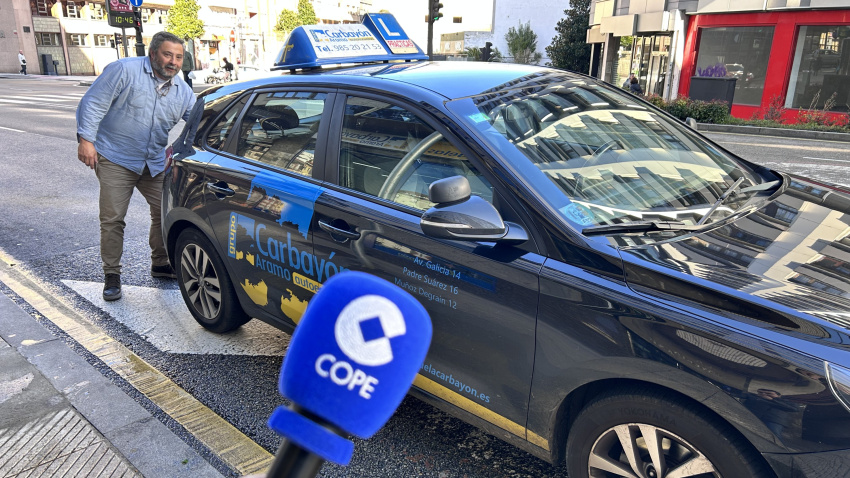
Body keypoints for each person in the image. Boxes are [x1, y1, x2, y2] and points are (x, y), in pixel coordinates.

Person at [76, 31, 196, 301]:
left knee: (165, 212)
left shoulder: (183, 91)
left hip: (153, 162)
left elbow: (197, 122)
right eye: (168, 55)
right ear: (153, 54)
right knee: (113, 218)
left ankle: (161, 262)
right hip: (116, 157)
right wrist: (86, 140)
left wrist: (177, 149)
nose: (173, 62)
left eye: (178, 57)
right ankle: (112, 275)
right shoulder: (123, 71)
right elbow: (92, 104)